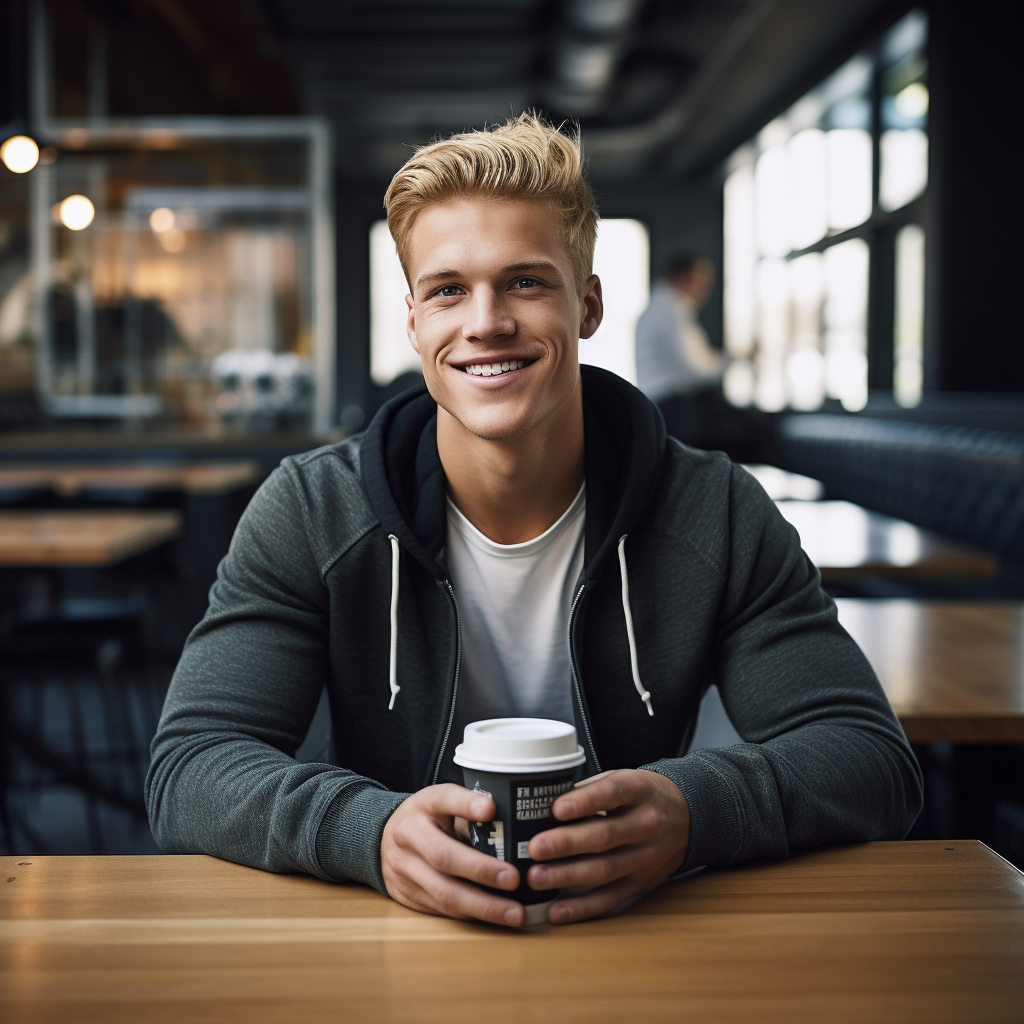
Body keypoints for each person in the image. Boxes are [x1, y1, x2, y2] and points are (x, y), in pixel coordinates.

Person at [146, 114, 922, 929]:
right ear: (414, 322)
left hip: (639, 936)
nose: (486, 322)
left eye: (525, 282)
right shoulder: (312, 508)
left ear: (586, 306)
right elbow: (192, 765)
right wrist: (364, 831)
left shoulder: (715, 509)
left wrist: (695, 811)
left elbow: (869, 760)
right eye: (449, 290)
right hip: (393, 941)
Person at [635, 254, 739, 454]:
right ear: (681, 278)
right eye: (700, 283)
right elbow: (695, 370)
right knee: (746, 427)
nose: (703, 292)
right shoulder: (671, 311)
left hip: (664, 405)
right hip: (672, 407)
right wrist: (733, 359)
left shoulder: (661, 307)